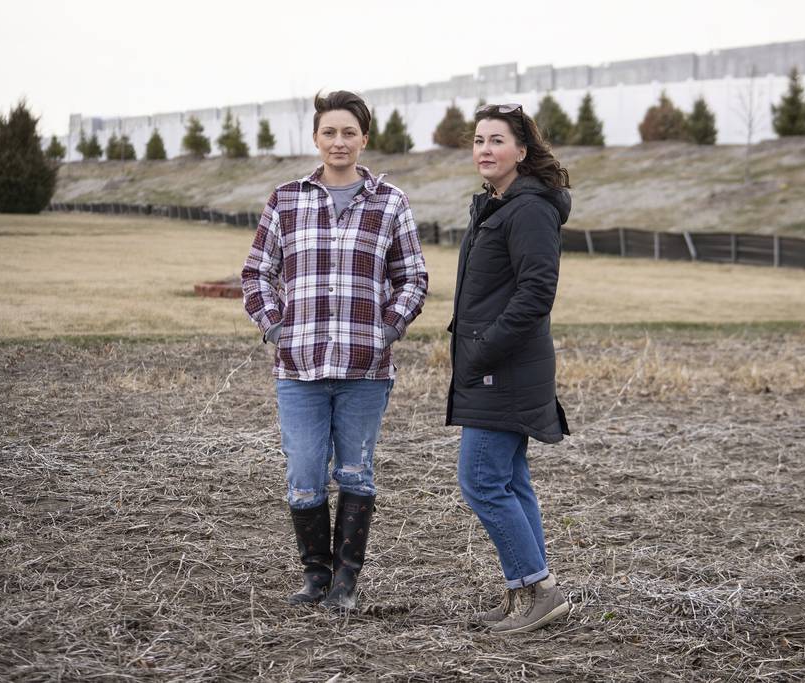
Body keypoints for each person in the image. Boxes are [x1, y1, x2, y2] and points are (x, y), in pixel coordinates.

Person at [241, 90, 428, 610]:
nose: (339, 141)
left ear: (364, 139)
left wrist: (387, 330)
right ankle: (315, 577)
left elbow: (412, 276)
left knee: (355, 473)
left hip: (365, 370)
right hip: (298, 367)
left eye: (349, 132)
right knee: (304, 475)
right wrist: (276, 327)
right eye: (330, 132)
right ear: (316, 138)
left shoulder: (390, 202)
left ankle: (346, 583)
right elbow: (257, 272)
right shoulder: (286, 199)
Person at [447, 103, 572, 634]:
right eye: (478, 140)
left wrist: (484, 350)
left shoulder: (529, 209)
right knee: (511, 481)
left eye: (496, 140)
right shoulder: (498, 205)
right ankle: (524, 590)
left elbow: (536, 292)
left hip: (506, 368)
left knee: (480, 481)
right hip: (496, 365)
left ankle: (540, 590)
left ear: (522, 150)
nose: (484, 150)